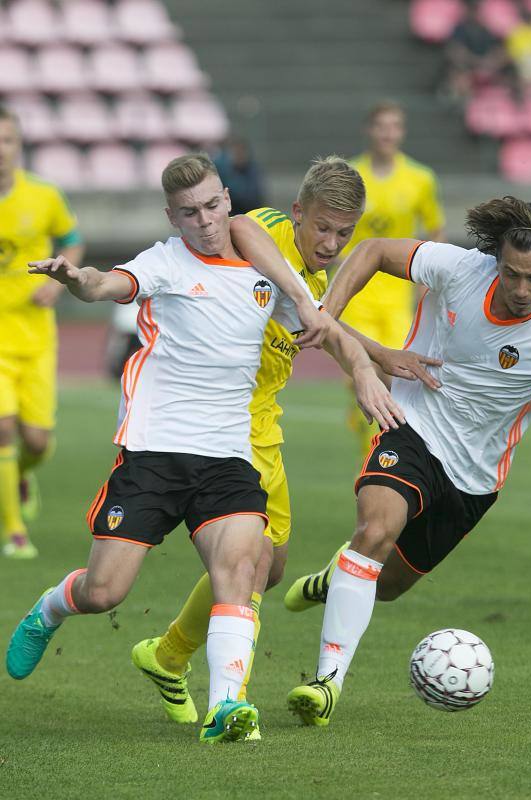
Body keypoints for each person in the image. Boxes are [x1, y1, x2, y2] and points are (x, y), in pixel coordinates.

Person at [5, 153, 402, 745]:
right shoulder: (167, 261)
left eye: (216, 205)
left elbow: (325, 327)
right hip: (154, 450)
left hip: (230, 451)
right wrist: (76, 278)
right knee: (105, 590)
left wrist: (369, 370)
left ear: (226, 200)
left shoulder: (267, 264)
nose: (209, 221)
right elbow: (107, 284)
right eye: (191, 212)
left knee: (247, 566)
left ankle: (226, 708)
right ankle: (52, 609)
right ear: (173, 218)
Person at [131, 156, 440, 738]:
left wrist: (379, 356)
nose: (330, 242)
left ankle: (167, 655)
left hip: (263, 426)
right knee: (245, 564)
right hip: (221, 424)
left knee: (271, 569)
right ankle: (232, 703)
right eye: (321, 227)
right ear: (298, 213)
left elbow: (319, 326)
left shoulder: (317, 281)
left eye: (344, 233)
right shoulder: (267, 233)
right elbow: (241, 226)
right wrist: (360, 352)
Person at [284, 195, 531, 728]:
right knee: (376, 530)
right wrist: (326, 318)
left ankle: (337, 577)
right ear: (496, 261)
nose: (520, 289)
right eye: (511, 274)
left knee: (388, 584)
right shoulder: (460, 268)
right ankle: (326, 683)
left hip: (474, 479)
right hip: (411, 425)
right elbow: (372, 249)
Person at [339, 101, 446, 462]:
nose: (387, 133)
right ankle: (368, 464)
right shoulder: (350, 175)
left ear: (402, 132)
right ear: (369, 130)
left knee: (402, 382)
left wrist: (430, 280)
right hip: (356, 296)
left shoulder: (420, 178)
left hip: (398, 298)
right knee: (363, 377)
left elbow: (435, 230)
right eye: (381, 126)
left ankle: (395, 460)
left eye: (394, 126)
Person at [0, 107, 84, 558]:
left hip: (34, 337)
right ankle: (13, 532)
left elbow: (71, 239)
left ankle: (20, 476)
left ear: (18, 145)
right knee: (3, 429)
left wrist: (60, 281)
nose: (0, 150)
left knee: (37, 440)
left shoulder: (43, 196)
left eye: (7, 140)